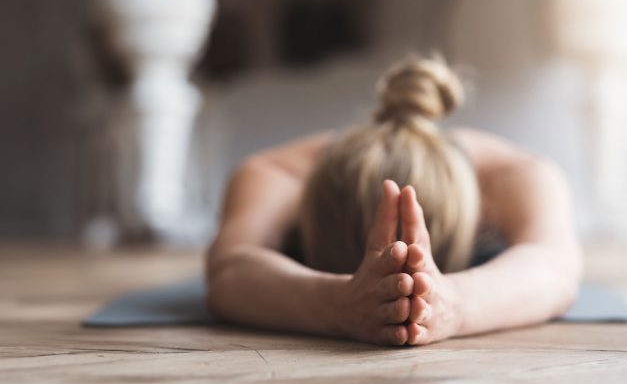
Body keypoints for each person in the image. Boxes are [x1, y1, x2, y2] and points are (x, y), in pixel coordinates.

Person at [206, 56, 583, 346]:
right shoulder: (276, 173)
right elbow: (230, 270)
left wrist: (451, 304)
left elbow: (555, 267)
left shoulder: (514, 174)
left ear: (479, 214)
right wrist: (339, 304)